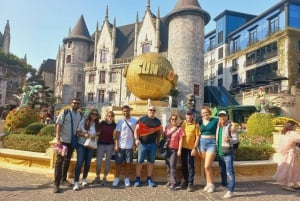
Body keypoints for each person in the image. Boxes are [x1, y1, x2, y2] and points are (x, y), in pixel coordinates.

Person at [53, 98, 83, 193]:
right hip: (63, 141)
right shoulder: (65, 112)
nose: (76, 105)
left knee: (67, 160)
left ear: (79, 105)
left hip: (72, 141)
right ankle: (56, 184)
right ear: (71, 103)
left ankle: (63, 179)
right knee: (59, 161)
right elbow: (59, 124)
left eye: (78, 103)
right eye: (74, 103)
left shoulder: (80, 115)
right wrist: (58, 138)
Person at [134, 105, 163, 187]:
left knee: (151, 162)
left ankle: (149, 178)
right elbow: (136, 130)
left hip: (152, 144)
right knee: (139, 161)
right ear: (147, 111)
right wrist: (136, 139)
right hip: (142, 144)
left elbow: (159, 133)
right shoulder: (142, 119)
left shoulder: (157, 121)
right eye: (150, 110)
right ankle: (137, 179)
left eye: (153, 110)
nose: (152, 111)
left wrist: (158, 143)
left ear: (155, 112)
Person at [73, 109, 100, 191]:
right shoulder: (84, 121)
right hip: (81, 144)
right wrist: (84, 135)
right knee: (80, 162)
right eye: (92, 114)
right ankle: (76, 182)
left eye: (95, 114)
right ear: (90, 114)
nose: (94, 116)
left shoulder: (97, 124)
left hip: (90, 145)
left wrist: (96, 134)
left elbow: (99, 132)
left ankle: (84, 179)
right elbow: (77, 132)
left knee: (88, 163)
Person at [112, 105, 137, 187]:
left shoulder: (134, 121)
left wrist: (134, 144)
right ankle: (117, 178)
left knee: (128, 163)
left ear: (130, 111)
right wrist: (116, 144)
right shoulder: (120, 121)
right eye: (124, 111)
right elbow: (117, 134)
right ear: (122, 112)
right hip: (120, 145)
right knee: (118, 163)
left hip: (129, 145)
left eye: (127, 111)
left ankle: (126, 178)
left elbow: (136, 134)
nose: (126, 112)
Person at [216, 110, 238, 199]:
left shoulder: (230, 126)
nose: (222, 117)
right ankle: (224, 184)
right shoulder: (218, 125)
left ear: (227, 116)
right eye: (220, 116)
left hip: (228, 152)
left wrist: (229, 140)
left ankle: (230, 190)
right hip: (220, 152)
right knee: (222, 171)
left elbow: (236, 139)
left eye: (224, 116)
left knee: (229, 172)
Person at [273, 120, 300, 192]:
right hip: (290, 154)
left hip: (286, 153)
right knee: (289, 169)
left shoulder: (285, 133)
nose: (296, 128)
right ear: (291, 126)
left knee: (292, 168)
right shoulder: (292, 133)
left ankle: (295, 184)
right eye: (295, 126)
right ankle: (285, 185)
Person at [92, 111, 116, 185]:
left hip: (110, 145)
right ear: (106, 116)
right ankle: (97, 176)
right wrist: (92, 135)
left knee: (107, 163)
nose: (110, 117)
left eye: (111, 116)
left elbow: (116, 135)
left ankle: (105, 177)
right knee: (98, 162)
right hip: (101, 144)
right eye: (108, 116)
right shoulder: (102, 123)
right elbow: (97, 131)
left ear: (113, 117)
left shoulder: (114, 125)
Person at [198, 106, 218, 193]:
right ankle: (208, 183)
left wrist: (232, 127)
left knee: (207, 165)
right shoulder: (200, 121)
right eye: (203, 113)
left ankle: (212, 185)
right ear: (201, 114)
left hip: (212, 143)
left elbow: (227, 122)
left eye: (206, 112)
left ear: (209, 112)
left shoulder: (215, 120)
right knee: (206, 167)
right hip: (202, 143)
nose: (204, 114)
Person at [180, 109, 200, 192]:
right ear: (185, 116)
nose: (189, 116)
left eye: (190, 115)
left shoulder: (196, 124)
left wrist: (195, 148)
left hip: (191, 148)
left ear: (192, 116)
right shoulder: (182, 123)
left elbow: (198, 137)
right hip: (183, 148)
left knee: (191, 166)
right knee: (183, 164)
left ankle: (190, 183)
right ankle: (185, 180)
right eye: (187, 114)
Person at [164, 114, 184, 191]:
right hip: (167, 149)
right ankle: (169, 180)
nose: (174, 120)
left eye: (175, 119)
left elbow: (181, 139)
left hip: (174, 150)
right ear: (170, 120)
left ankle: (173, 183)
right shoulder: (167, 128)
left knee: (172, 166)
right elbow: (164, 136)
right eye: (172, 119)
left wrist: (179, 150)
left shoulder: (179, 129)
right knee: (168, 166)